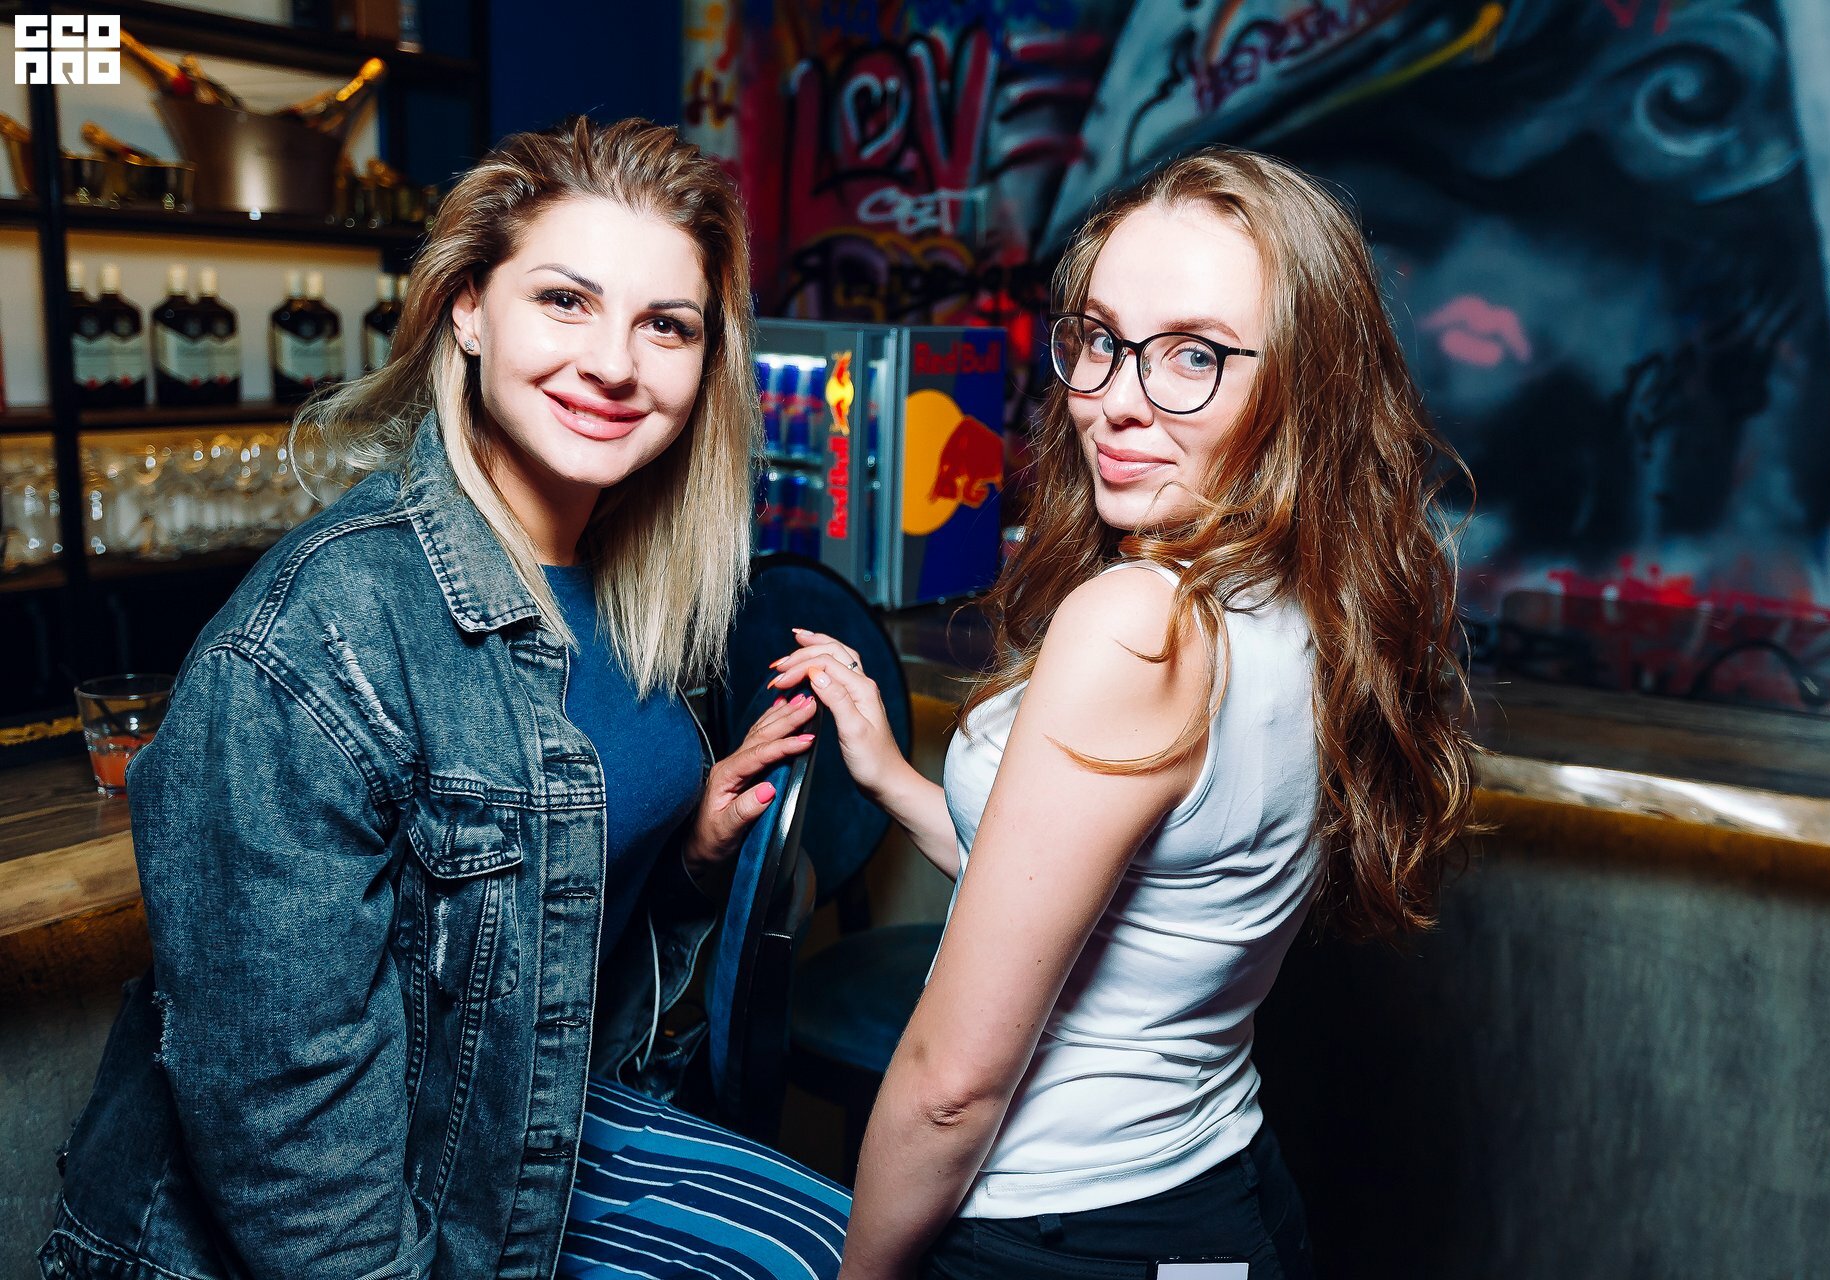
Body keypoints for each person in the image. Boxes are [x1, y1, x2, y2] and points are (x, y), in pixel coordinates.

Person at [41, 117, 848, 1280]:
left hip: (525, 1140)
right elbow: (282, 1122)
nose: (615, 363)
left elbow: (544, 931)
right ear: (468, 308)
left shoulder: (636, 583)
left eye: (665, 324)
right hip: (343, 1226)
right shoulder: (320, 632)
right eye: (565, 300)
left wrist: (690, 854)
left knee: (848, 1242)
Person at [772, 147, 1480, 1278]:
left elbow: (952, 1089)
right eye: (1101, 338)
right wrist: (894, 777)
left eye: (1194, 354)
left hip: (1066, 1233)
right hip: (1220, 1201)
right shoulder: (1309, 601)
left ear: (1304, 384)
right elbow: (1110, 911)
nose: (1114, 398)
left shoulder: (1140, 624)